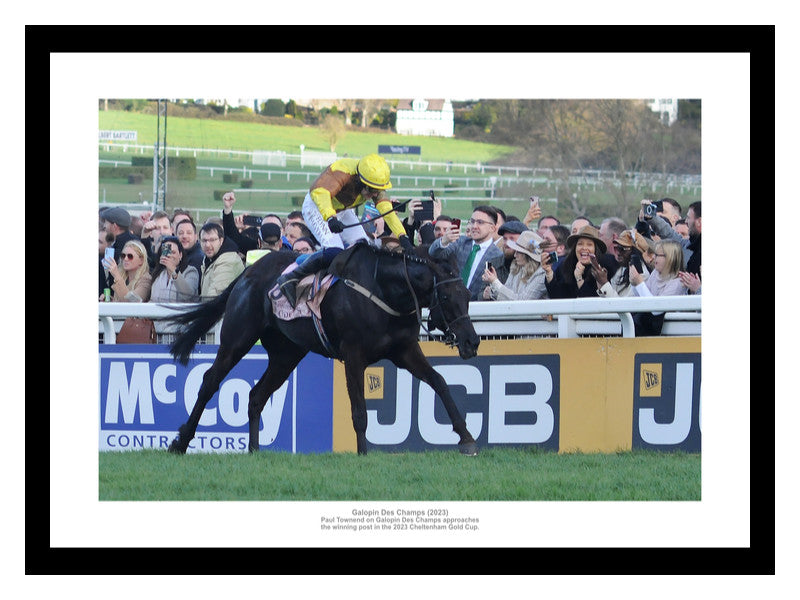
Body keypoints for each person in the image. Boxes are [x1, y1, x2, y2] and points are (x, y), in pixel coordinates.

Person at [274, 154, 413, 308]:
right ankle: (291, 277)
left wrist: (402, 236)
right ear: (361, 180)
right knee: (335, 250)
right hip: (317, 207)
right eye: (373, 190)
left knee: (365, 248)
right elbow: (320, 192)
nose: (375, 194)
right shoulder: (342, 170)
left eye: (378, 190)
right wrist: (330, 218)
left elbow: (386, 210)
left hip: (341, 210)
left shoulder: (372, 180)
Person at [428, 205, 507, 301]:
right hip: (451, 303)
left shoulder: (497, 256)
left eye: (480, 222)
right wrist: (443, 241)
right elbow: (434, 253)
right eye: (472, 221)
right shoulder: (461, 242)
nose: (474, 226)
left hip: (476, 306)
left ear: (492, 228)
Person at [630, 239, 687, 336]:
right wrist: (634, 283)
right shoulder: (655, 273)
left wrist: (639, 283)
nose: (653, 257)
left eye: (657, 255)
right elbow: (643, 297)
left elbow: (657, 309)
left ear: (670, 258)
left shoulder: (678, 282)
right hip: (649, 329)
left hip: (671, 333)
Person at [543, 225, 617, 299]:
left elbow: (593, 301)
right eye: (580, 244)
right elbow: (557, 297)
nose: (584, 248)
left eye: (589, 245)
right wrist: (549, 272)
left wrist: (579, 278)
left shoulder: (605, 266)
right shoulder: (566, 266)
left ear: (596, 249)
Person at [482, 230, 548, 301]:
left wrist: (495, 281)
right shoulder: (517, 268)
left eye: (518, 252)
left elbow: (522, 301)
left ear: (528, 256)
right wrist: (492, 289)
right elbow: (507, 293)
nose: (515, 255)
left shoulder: (541, 274)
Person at [640, 199, 701, 276]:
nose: (686, 221)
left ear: (699, 221)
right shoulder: (689, 244)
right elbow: (669, 234)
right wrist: (650, 217)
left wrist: (697, 286)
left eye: (689, 218)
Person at [595, 228, 651, 297]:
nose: (618, 253)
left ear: (635, 252)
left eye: (623, 249)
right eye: (617, 248)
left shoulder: (642, 275)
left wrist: (604, 283)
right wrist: (601, 284)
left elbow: (624, 303)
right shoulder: (622, 271)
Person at [198, 222, 245, 301]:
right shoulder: (209, 258)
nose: (207, 245)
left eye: (212, 240)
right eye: (204, 240)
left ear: (221, 240)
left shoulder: (228, 260)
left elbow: (213, 298)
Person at [148, 235, 200, 303]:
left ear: (180, 255)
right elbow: (152, 300)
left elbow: (188, 295)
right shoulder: (159, 274)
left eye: (173, 252)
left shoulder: (190, 271)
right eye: (166, 252)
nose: (169, 255)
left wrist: (173, 270)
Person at [175, 218, 205, 284]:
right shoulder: (174, 253)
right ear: (175, 236)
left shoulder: (198, 259)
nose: (184, 236)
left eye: (189, 233)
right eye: (181, 233)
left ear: (196, 237)